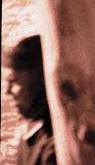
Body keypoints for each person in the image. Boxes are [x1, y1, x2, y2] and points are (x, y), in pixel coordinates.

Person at [2, 35, 56, 165]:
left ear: (39, 81)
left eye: (14, 81)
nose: (7, 91)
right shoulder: (32, 133)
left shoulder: (56, 147)